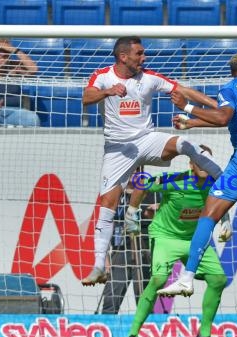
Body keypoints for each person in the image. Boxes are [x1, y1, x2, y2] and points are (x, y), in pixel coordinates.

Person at [80, 36, 223, 286]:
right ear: (123, 56)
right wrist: (107, 92)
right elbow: (86, 97)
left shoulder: (149, 78)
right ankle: (98, 266)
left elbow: (183, 90)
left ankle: (221, 177)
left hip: (147, 139)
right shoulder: (103, 76)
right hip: (118, 149)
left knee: (183, 144)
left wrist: (217, 107)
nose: (144, 58)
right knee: (107, 204)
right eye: (139, 54)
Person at [164, 53, 237, 327]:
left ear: (234, 71)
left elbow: (221, 117)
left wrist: (189, 108)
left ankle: (186, 278)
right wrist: (192, 123)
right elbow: (232, 119)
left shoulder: (231, 88)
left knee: (208, 216)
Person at [119, 147, 228, 337]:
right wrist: (131, 214)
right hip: (166, 237)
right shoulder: (175, 179)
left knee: (218, 280)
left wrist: (226, 222)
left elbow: (223, 200)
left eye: (208, 162)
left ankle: (204, 336)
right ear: (191, 164)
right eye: (200, 162)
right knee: (158, 280)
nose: (205, 167)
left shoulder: (217, 182)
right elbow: (142, 184)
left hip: (195, 239)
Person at [99, 188, 153, 314]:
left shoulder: (151, 192)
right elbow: (104, 224)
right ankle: (106, 330)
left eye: (135, 167)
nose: (133, 170)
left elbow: (157, 218)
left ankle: (147, 329)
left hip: (143, 251)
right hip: (120, 251)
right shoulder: (115, 192)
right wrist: (105, 257)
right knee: (110, 300)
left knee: (145, 300)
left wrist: (153, 212)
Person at [0, 38, 40, 127]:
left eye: (6, 51)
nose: (3, 54)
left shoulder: (13, 67)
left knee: (32, 119)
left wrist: (14, 50)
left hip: (15, 111)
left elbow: (34, 69)